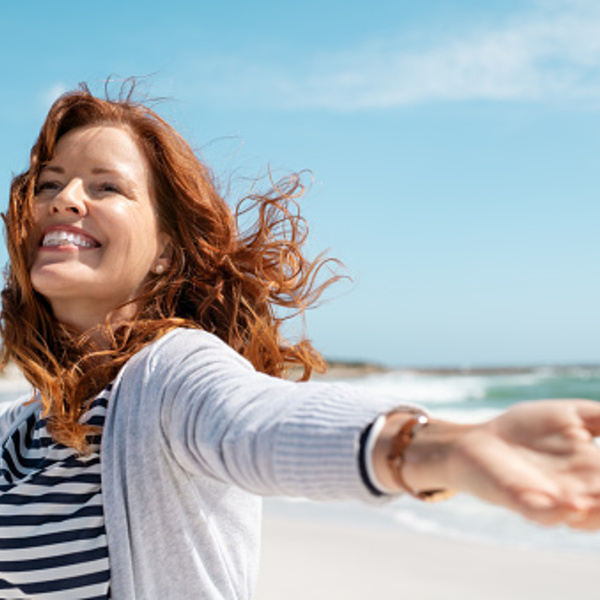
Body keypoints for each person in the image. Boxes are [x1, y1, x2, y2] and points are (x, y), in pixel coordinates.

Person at [0, 83, 599, 599]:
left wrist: (435, 448)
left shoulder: (168, 377)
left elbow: (259, 422)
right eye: (51, 183)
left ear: (165, 255)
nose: (65, 199)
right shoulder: (24, 426)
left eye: (107, 187)